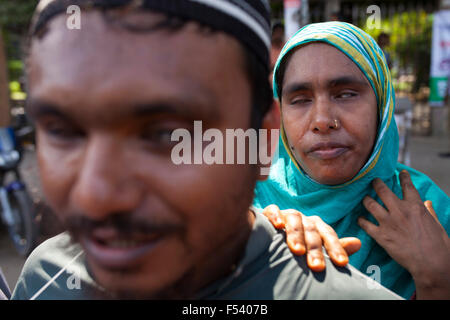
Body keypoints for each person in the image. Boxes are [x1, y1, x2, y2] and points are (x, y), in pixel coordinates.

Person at [11, 1, 401, 300]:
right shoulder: (46, 278)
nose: (95, 196)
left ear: (263, 138)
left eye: (166, 134)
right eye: (63, 131)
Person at [253, 21, 450, 300]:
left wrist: (438, 278)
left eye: (346, 94)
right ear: (279, 113)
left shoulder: (432, 215)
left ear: (381, 104)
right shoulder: (248, 206)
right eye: (300, 99)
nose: (322, 121)